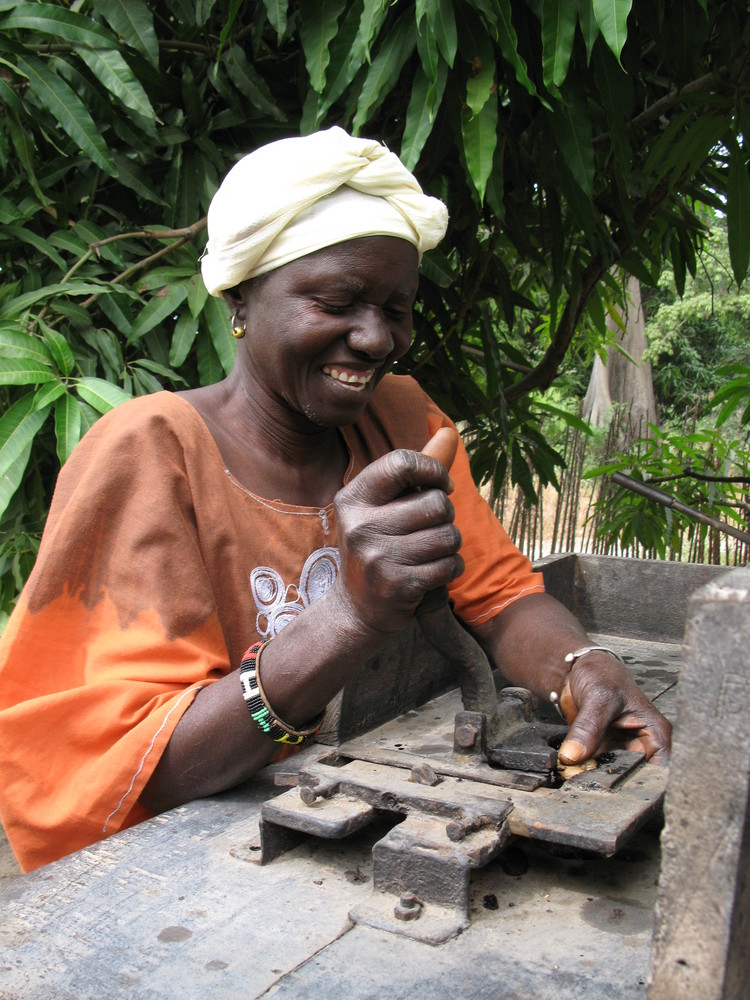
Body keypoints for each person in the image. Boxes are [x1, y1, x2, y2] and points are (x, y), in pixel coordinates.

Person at [0, 127, 670, 873]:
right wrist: (352, 616)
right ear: (243, 296)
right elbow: (143, 765)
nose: (377, 338)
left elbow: (499, 595)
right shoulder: (151, 454)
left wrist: (582, 664)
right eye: (338, 300)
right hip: (188, 874)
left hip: (361, 846)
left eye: (397, 307)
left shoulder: (405, 421)